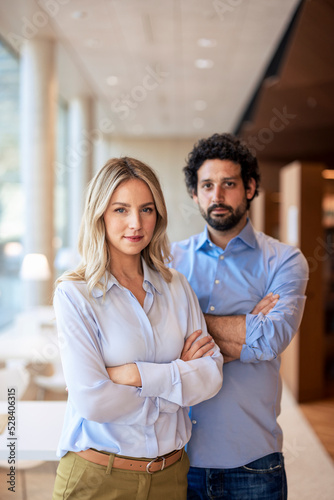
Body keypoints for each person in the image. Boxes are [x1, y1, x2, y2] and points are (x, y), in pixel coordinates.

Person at [52, 157, 223, 500]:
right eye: (120, 209)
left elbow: (210, 376)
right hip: (98, 478)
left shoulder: (177, 286)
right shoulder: (75, 293)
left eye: (146, 209)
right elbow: (92, 401)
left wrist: (132, 374)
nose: (135, 223)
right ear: (99, 213)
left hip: (170, 477)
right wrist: (175, 385)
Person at [170, 133, 309, 500]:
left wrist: (188, 326)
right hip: (176, 458)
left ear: (249, 187)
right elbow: (154, 343)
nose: (217, 196)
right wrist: (248, 323)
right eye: (207, 185)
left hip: (253, 461)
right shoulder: (168, 262)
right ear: (195, 194)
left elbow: (272, 338)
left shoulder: (284, 260)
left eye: (228, 184)